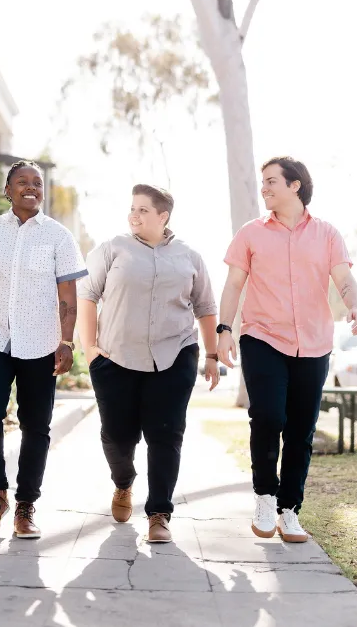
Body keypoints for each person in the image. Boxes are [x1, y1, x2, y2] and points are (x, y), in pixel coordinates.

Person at [218, 157, 357, 543]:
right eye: (262, 182)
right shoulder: (251, 233)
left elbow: (344, 278)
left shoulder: (327, 234)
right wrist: (224, 329)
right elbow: (234, 284)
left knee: (301, 430)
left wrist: (355, 305)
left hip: (314, 342)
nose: (263, 188)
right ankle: (265, 496)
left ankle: (288, 510)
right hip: (262, 336)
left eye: (270, 181)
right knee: (267, 416)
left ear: (295, 185)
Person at [77, 184, 219, 544]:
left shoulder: (189, 256)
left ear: (163, 216)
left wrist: (212, 355)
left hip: (175, 355)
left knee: (166, 434)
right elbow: (87, 296)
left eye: (142, 209)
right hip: (115, 357)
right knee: (117, 435)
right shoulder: (112, 249)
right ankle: (123, 483)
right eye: (132, 209)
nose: (134, 215)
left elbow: (205, 308)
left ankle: (159, 514)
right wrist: (90, 348)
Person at [0, 160, 87, 538]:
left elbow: (68, 293)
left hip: (40, 342)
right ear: (8, 190)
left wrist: (66, 340)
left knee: (36, 425)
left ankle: (26, 505)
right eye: (22, 182)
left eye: (37, 182)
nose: (31, 188)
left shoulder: (58, 236)